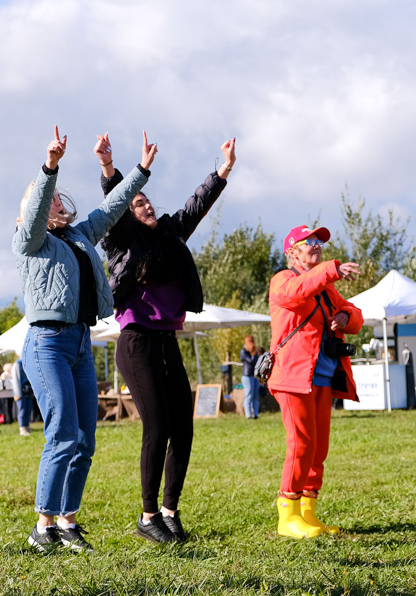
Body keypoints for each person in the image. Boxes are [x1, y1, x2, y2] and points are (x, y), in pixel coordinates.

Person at [15, 127, 151, 554]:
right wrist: (49, 167)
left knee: (85, 439)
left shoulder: (76, 237)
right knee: (61, 434)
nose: (57, 200)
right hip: (46, 344)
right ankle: (43, 525)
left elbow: (110, 210)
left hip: (78, 343)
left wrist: (140, 171)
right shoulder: (30, 240)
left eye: (57, 195)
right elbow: (37, 208)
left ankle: (68, 522)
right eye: (49, 196)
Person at [99, 137, 236, 544]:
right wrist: (110, 167)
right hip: (136, 341)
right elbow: (116, 202)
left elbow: (196, 204)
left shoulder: (172, 232)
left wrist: (223, 170)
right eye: (137, 204)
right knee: (156, 425)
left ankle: (169, 511)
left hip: (166, 341)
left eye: (148, 202)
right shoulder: (122, 240)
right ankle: (146, 515)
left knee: (183, 427)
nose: (146, 206)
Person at [267, 225, 363, 539]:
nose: (317, 246)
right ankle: (288, 514)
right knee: (301, 443)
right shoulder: (283, 279)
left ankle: (308, 512)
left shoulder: (323, 286)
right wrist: (330, 269)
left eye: (320, 242)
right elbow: (296, 293)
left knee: (318, 448)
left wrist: (347, 317)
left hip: (320, 377)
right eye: (310, 242)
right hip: (293, 377)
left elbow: (354, 312)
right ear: (292, 251)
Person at [10, 357, 35, 436]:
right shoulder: (17, 364)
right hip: (21, 391)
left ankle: (26, 426)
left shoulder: (27, 361)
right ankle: (22, 428)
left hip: (28, 390)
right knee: (22, 410)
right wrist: (17, 393)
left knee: (28, 410)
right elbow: (16, 379)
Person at [241, 335, 263, 420]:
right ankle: (248, 415)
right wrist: (253, 354)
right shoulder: (243, 352)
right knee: (249, 395)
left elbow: (258, 361)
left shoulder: (254, 351)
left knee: (255, 396)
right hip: (247, 376)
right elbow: (250, 361)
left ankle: (256, 414)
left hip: (254, 376)